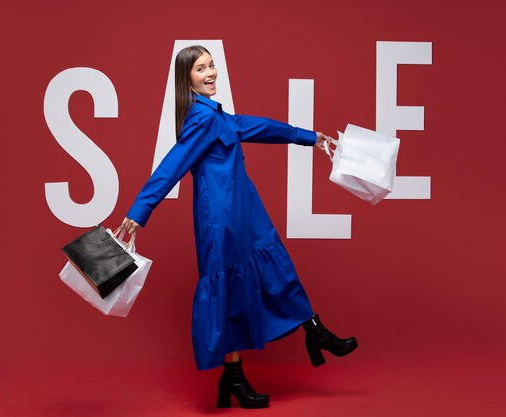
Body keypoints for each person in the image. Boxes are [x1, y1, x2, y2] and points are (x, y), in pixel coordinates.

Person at [122, 45, 357, 409]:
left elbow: (261, 126)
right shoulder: (201, 120)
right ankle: (233, 375)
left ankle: (314, 330)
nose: (211, 73)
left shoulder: (218, 116)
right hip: (220, 222)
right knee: (228, 293)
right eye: (201, 69)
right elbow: (171, 167)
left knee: (278, 269)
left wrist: (313, 138)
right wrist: (140, 211)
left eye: (212, 65)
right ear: (187, 80)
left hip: (245, 211)